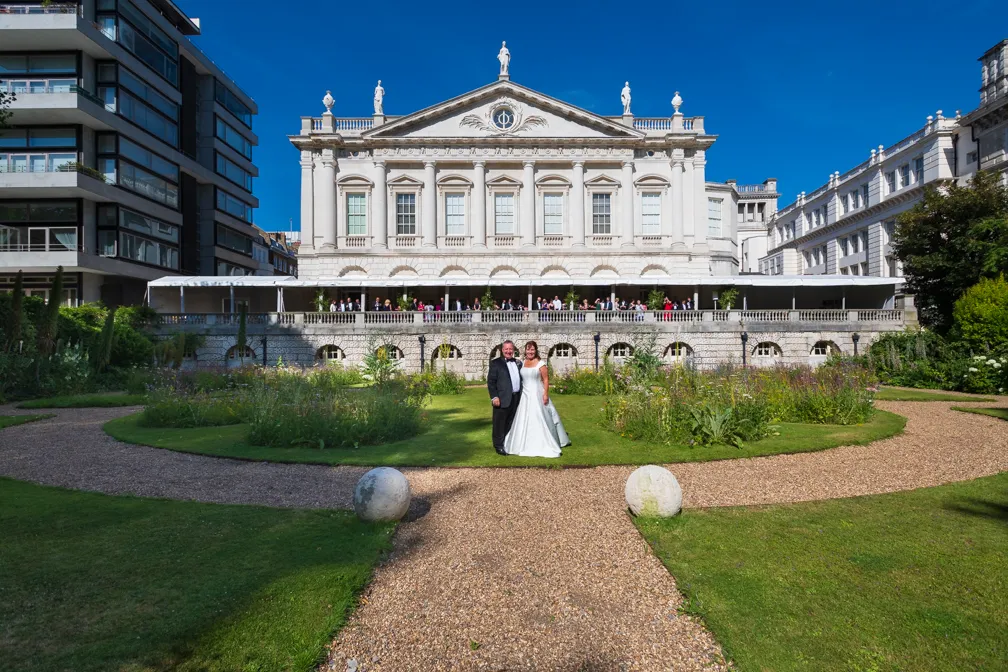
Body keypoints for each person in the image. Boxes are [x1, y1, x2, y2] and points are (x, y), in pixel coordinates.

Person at [501, 340, 569, 458]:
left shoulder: (541, 364)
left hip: (537, 394)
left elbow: (546, 380)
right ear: (525, 351)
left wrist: (546, 394)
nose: (530, 352)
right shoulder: (522, 363)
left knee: (539, 417)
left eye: (532, 349)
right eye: (528, 349)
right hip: (524, 396)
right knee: (522, 419)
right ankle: (520, 443)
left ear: (536, 350)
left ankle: (543, 443)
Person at [488, 340, 522, 455]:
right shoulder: (496, 363)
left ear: (513, 350)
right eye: (506, 349)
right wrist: (494, 397)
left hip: (516, 398)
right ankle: (498, 446)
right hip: (501, 399)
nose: (508, 351)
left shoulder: (518, 363)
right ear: (502, 350)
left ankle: (507, 443)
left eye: (510, 349)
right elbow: (491, 382)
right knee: (499, 423)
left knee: (511, 421)